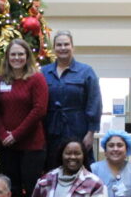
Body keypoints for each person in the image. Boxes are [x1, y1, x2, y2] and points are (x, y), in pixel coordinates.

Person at [0, 38, 48, 197]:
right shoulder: (1, 80)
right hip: (7, 146)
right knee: (11, 189)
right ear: (7, 57)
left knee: (32, 189)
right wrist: (2, 134)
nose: (17, 58)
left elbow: (39, 110)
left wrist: (15, 135)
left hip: (32, 146)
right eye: (13, 54)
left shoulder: (36, 79)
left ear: (27, 56)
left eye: (20, 54)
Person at [41, 30, 101, 167]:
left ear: (72, 47)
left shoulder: (86, 71)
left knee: (79, 166)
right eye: (59, 45)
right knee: (53, 166)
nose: (63, 48)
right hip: (51, 129)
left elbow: (94, 102)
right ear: (54, 48)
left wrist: (91, 133)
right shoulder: (44, 72)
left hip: (78, 128)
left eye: (66, 44)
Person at [29, 139, 105, 197]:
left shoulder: (95, 183)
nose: (72, 157)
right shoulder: (45, 179)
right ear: (61, 155)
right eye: (68, 153)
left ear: (83, 156)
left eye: (77, 153)